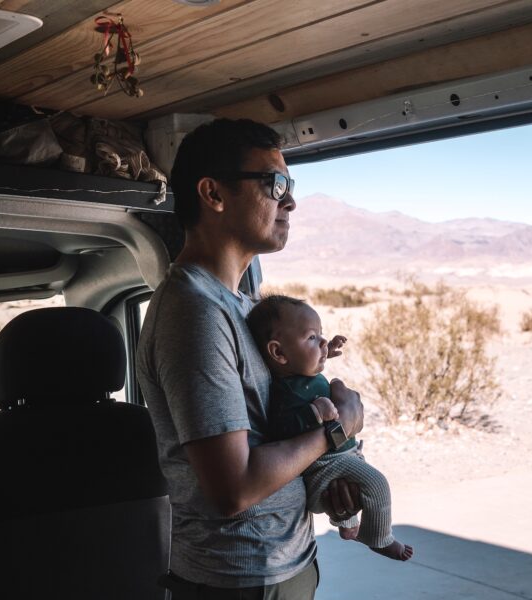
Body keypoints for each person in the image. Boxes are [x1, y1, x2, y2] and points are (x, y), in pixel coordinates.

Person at [136, 118, 364, 599]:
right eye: (274, 183)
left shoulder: (240, 304)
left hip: (282, 564)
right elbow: (233, 488)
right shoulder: (194, 313)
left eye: (290, 185)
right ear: (213, 194)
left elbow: (268, 432)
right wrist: (334, 430)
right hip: (238, 578)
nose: (290, 200)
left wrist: (323, 474)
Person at [247, 294, 414, 561]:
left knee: (359, 482)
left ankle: (349, 527)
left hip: (340, 454)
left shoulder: (301, 374)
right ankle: (379, 538)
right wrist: (315, 412)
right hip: (324, 465)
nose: (322, 341)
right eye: (312, 338)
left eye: (321, 336)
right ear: (279, 352)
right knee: (377, 483)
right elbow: (280, 429)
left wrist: (326, 352)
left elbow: (307, 362)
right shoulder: (285, 391)